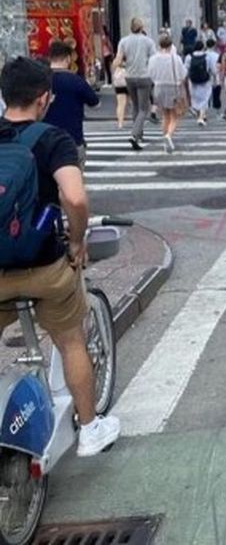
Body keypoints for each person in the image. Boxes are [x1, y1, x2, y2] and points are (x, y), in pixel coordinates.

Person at [0, 57, 120, 456]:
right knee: (71, 341)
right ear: (44, 98)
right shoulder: (54, 139)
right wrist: (77, 239)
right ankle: (89, 429)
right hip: (44, 266)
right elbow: (74, 197)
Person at [44, 40, 100, 172]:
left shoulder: (40, 80)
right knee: (73, 183)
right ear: (68, 59)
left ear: (49, 58)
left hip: (45, 139)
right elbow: (95, 103)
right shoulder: (76, 81)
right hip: (72, 139)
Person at [113, 17, 155, 151]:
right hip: (144, 76)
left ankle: (139, 134)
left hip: (129, 77)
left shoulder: (123, 41)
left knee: (135, 106)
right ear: (141, 27)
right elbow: (153, 59)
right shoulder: (148, 41)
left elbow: (118, 60)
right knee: (144, 108)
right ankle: (134, 133)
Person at [147, 34, 187, 153]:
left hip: (158, 87)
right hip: (173, 86)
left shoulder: (153, 58)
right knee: (174, 116)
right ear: (171, 45)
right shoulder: (176, 58)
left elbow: (150, 74)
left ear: (159, 44)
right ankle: (168, 135)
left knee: (165, 115)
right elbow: (182, 74)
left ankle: (165, 142)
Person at [185, 39, 218, 126]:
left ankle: (198, 113)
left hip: (193, 81)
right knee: (205, 99)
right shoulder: (207, 57)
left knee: (195, 98)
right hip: (205, 80)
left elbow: (185, 70)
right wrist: (216, 79)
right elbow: (213, 70)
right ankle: (201, 116)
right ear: (203, 47)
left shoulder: (189, 57)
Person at [112, 63, 128, 129]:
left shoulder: (118, 56)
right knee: (133, 103)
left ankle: (120, 123)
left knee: (120, 104)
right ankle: (136, 121)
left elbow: (114, 65)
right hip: (129, 78)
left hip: (119, 81)